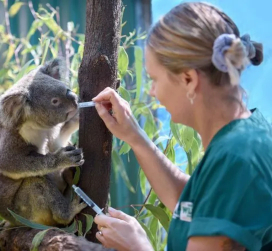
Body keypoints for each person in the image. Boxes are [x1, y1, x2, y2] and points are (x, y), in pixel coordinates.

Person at [91, 2, 272, 251]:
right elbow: (192, 205)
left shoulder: (237, 158)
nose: (152, 92)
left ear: (188, 79)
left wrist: (138, 247)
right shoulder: (244, 137)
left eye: (154, 79)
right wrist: (134, 135)